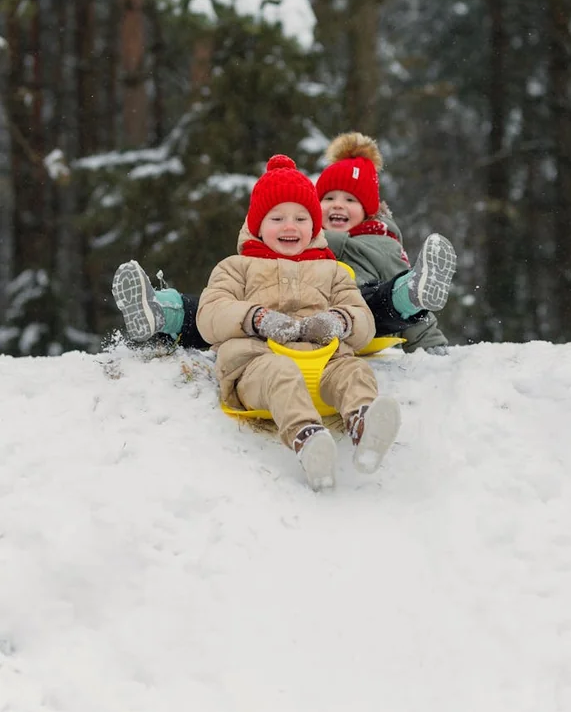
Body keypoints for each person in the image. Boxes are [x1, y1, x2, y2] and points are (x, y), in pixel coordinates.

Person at [112, 132, 456, 354]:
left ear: (369, 212)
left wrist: (428, 344)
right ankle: (159, 311)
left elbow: (408, 314)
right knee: (211, 311)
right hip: (271, 310)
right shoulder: (297, 235)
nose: (338, 205)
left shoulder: (379, 242)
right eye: (329, 198)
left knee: (378, 301)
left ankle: (414, 289)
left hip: (342, 314)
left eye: (350, 201)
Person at [195, 154, 401, 490]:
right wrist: (255, 318)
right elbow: (210, 314)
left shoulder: (333, 271)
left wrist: (339, 321)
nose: (290, 227)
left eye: (301, 218)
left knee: (354, 372)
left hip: (324, 365)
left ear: (315, 226)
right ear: (257, 225)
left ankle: (365, 427)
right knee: (281, 373)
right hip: (258, 366)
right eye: (277, 218)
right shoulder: (237, 267)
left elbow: (363, 320)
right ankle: (309, 442)